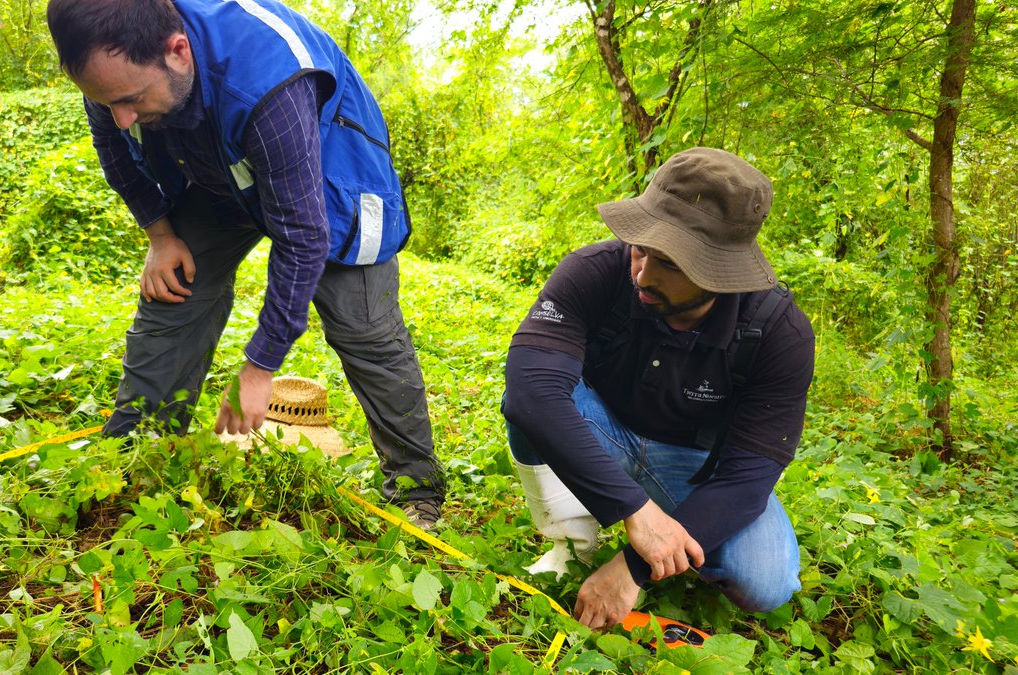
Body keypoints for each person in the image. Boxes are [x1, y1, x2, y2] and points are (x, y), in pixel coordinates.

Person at [45, 0, 444, 529]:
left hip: (328, 172)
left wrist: (259, 368)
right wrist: (161, 237)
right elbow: (113, 149)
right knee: (173, 292)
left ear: (178, 51)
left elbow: (302, 237)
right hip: (217, 169)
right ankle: (132, 460)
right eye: (105, 101)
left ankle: (416, 488)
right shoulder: (114, 69)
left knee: (365, 328)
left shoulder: (268, 78)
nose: (121, 116)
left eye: (131, 101)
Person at [502, 147, 815, 630]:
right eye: (641, 247)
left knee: (765, 581)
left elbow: (746, 480)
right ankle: (571, 542)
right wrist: (633, 511)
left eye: (670, 263)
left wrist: (632, 566)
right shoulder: (594, 271)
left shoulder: (777, 333)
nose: (643, 274)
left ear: (722, 274)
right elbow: (531, 390)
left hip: (694, 465)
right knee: (534, 406)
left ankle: (664, 535)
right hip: (597, 425)